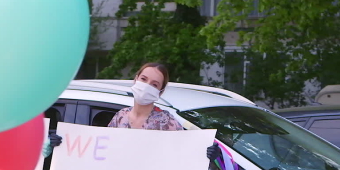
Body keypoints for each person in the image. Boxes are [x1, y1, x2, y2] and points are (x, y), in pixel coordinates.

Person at [49, 62, 221, 161]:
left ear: (160, 92)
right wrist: (62, 144)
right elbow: (99, 152)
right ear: (136, 79)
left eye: (154, 85)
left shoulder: (166, 122)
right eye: (144, 79)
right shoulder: (120, 117)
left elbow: (183, 156)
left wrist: (205, 155)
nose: (146, 86)